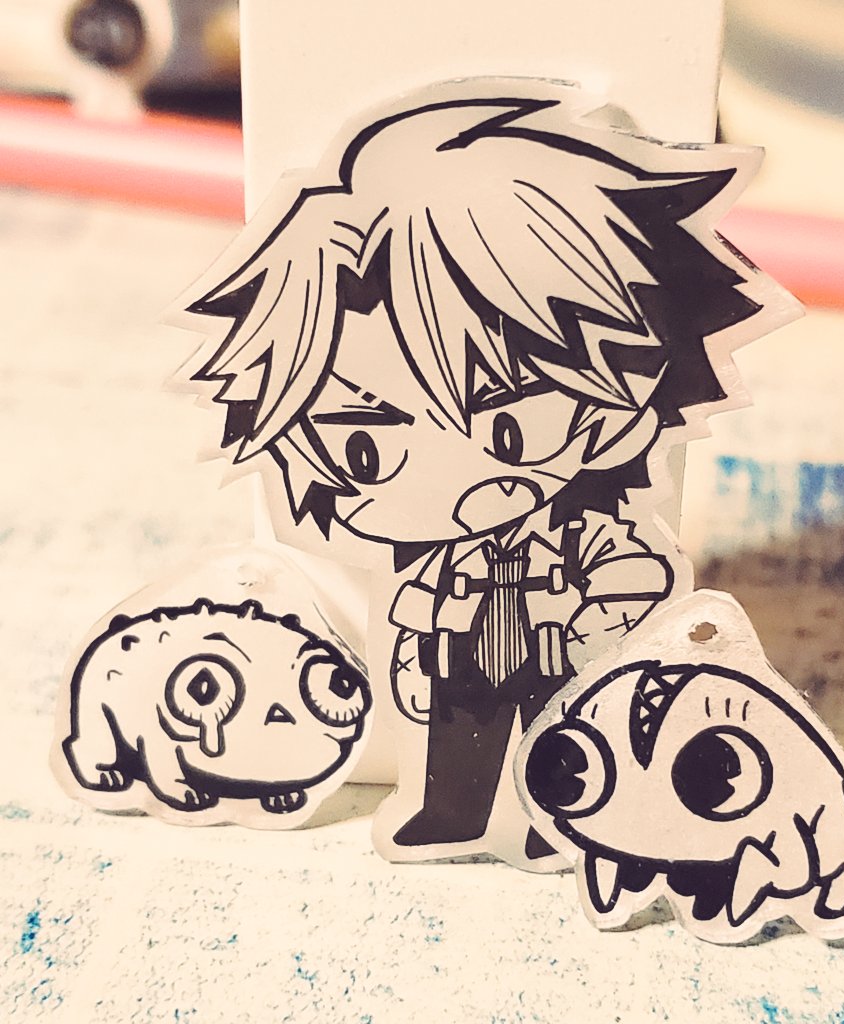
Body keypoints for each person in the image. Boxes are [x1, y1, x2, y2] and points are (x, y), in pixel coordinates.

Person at [180, 87, 792, 863]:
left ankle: (544, 821)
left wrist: (598, 611)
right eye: (367, 451)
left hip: (551, 648)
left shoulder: (579, 529)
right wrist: (409, 652)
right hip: (459, 654)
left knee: (554, 739)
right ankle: (448, 813)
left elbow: (629, 571)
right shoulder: (431, 554)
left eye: (508, 427)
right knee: (454, 739)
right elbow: (412, 601)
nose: (467, 480)